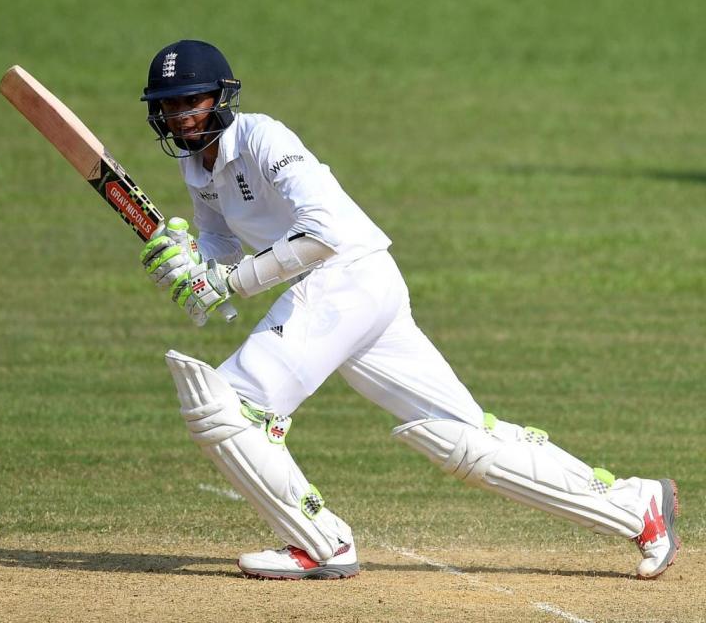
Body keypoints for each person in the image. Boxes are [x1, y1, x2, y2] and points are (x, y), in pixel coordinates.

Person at [137, 39, 680, 580]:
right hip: (352, 292)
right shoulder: (196, 164)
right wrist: (191, 260)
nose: (181, 117)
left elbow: (322, 234)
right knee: (461, 436)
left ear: (220, 97)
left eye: (192, 102)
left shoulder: (261, 137)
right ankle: (637, 506)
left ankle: (321, 543)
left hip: (345, 277)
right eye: (169, 106)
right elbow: (218, 240)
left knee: (228, 408)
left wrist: (233, 281)